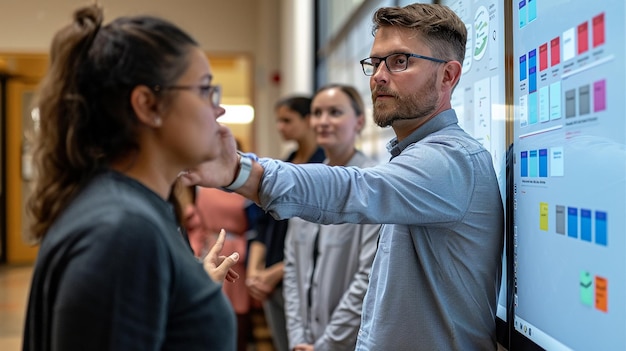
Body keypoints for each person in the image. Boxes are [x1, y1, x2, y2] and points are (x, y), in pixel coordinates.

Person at [183, 3, 504, 351]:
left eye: (400, 61)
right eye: (375, 62)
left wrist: (238, 171)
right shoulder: (411, 157)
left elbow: (352, 188)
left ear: (448, 76)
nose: (379, 76)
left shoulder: (451, 159)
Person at [23, 5, 240, 350]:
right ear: (148, 105)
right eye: (204, 90)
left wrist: (192, 286)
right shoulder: (123, 230)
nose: (218, 109)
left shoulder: (130, 210)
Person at [283, 84, 380, 351]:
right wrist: (298, 338)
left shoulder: (372, 183)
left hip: (348, 342)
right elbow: (292, 268)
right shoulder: (307, 182)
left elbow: (368, 278)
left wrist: (328, 345)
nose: (323, 122)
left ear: (359, 121)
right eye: (317, 113)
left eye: (335, 112)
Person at [246, 96, 325, 351]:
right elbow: (264, 223)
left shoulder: (323, 167)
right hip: (270, 279)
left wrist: (275, 272)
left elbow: (320, 238)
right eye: (278, 121)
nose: (280, 127)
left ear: (308, 120)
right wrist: (255, 270)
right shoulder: (286, 162)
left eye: (287, 120)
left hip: (298, 276)